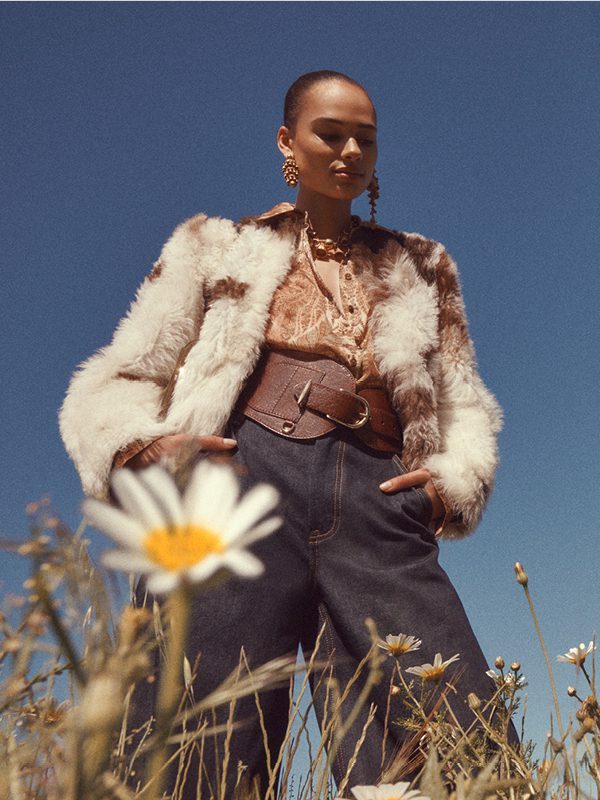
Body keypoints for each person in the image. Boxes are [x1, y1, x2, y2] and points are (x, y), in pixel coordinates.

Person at [59, 70, 507, 796]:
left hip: (380, 495)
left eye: (365, 138)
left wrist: (447, 487)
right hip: (239, 479)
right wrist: (143, 447)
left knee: (456, 736)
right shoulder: (216, 247)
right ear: (287, 141)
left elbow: (462, 397)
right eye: (330, 134)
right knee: (200, 736)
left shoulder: (423, 265)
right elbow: (123, 373)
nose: (350, 151)